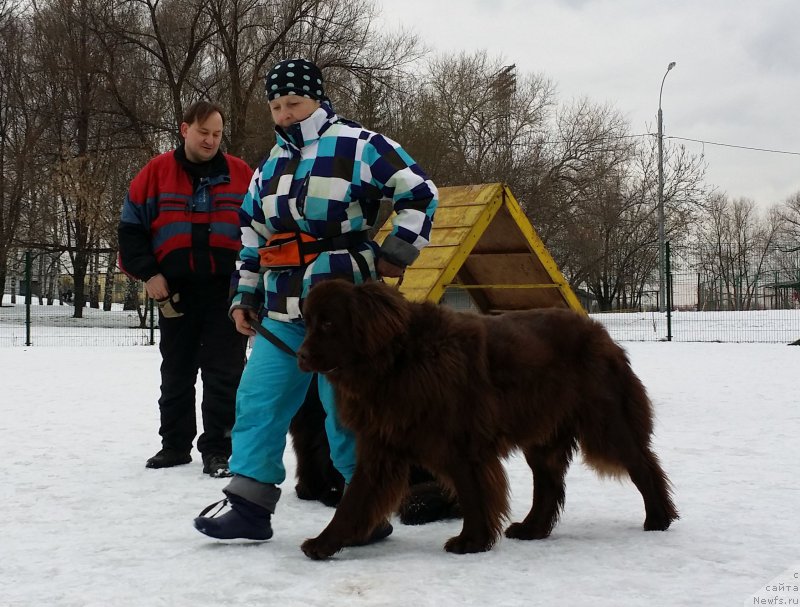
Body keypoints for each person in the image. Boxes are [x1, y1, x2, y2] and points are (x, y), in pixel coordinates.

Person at [193, 58, 438, 541]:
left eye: (294, 103)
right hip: (281, 305)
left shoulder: (360, 146)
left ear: (317, 99)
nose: (284, 113)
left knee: (343, 411)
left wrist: (396, 252)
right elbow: (251, 231)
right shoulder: (269, 165)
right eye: (277, 105)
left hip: (343, 312)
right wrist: (244, 294)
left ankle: (363, 508)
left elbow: (420, 192)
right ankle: (248, 503)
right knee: (258, 398)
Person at [118, 101, 252, 478]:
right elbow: (130, 230)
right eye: (203, 132)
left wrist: (251, 284)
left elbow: (260, 232)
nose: (210, 140)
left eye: (217, 134)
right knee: (176, 371)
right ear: (184, 129)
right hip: (173, 291)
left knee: (224, 372)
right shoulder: (155, 173)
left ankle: (219, 450)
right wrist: (148, 274)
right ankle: (174, 445)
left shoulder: (241, 174)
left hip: (227, 291)